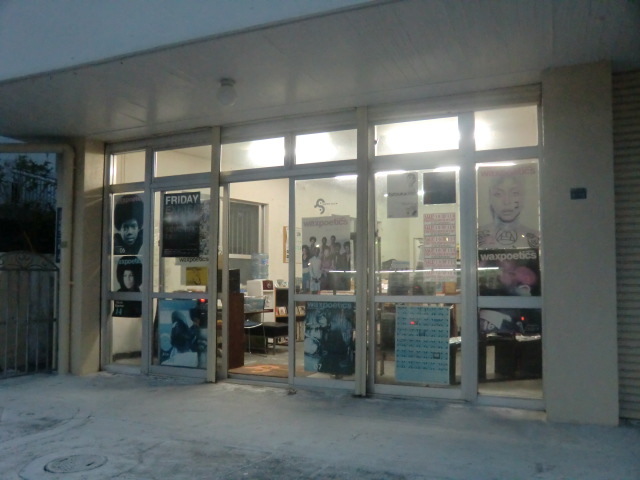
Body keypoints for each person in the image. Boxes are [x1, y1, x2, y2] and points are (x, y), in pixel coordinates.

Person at [477, 175, 540, 249]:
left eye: (515, 193)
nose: (507, 201)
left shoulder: (537, 238)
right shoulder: (476, 238)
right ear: (490, 198)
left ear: (524, 196)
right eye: (498, 194)